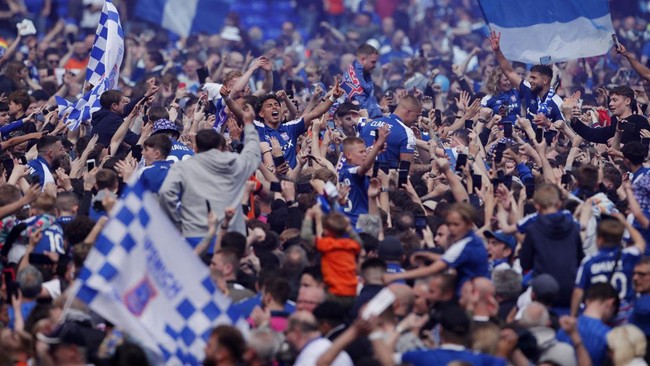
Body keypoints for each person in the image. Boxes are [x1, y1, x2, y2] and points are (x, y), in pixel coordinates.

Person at [159, 106, 259, 249]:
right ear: (220, 147)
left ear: (196, 148)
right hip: (232, 237)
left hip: (195, 235)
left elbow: (165, 193)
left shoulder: (183, 168)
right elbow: (253, 154)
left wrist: (177, 222)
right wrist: (249, 124)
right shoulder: (235, 162)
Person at [383, 203, 489, 293]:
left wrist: (394, 277)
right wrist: (428, 255)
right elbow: (452, 258)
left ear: (469, 225)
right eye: (449, 224)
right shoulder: (471, 240)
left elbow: (432, 270)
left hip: (473, 295)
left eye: (456, 225)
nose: (451, 228)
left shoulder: (466, 245)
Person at [520, 184, 584, 313]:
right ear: (559, 203)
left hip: (544, 294)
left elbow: (525, 263)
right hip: (570, 291)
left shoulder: (533, 229)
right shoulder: (573, 226)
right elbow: (580, 258)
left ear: (537, 206)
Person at [571, 216, 645, 320]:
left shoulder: (589, 261)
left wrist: (573, 316)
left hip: (599, 315)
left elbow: (578, 291)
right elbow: (641, 243)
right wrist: (626, 224)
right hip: (625, 315)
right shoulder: (628, 256)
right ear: (620, 240)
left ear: (600, 239)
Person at [488, 31, 564, 124]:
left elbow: (565, 133)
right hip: (527, 138)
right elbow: (509, 72)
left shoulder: (557, 101)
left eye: (534, 78)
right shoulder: (528, 90)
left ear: (545, 80)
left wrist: (547, 123)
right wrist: (497, 51)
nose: (530, 80)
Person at [337, 125, 388, 226]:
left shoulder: (344, 169)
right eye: (361, 152)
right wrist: (377, 145)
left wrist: (375, 151)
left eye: (365, 151)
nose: (365, 154)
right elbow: (364, 167)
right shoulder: (349, 172)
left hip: (356, 220)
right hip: (358, 223)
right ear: (348, 155)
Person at [572, 86, 650, 144]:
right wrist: (573, 119)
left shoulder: (639, 121)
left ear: (627, 101)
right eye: (610, 100)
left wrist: (619, 145)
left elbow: (644, 148)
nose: (610, 104)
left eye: (614, 100)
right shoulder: (614, 125)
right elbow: (591, 134)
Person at [359, 95, 421, 163]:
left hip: (363, 171)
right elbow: (409, 169)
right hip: (386, 173)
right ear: (408, 112)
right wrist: (431, 166)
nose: (417, 120)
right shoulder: (405, 132)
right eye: (417, 116)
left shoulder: (367, 125)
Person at [285, 311, 353, 366]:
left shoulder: (307, 359)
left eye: (286, 333)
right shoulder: (333, 348)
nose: (286, 339)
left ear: (296, 333)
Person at [342, 44, 382, 118]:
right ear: (363, 60)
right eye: (373, 62)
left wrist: (380, 108)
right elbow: (363, 108)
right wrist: (382, 115)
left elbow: (370, 99)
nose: (375, 65)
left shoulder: (363, 74)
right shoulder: (354, 79)